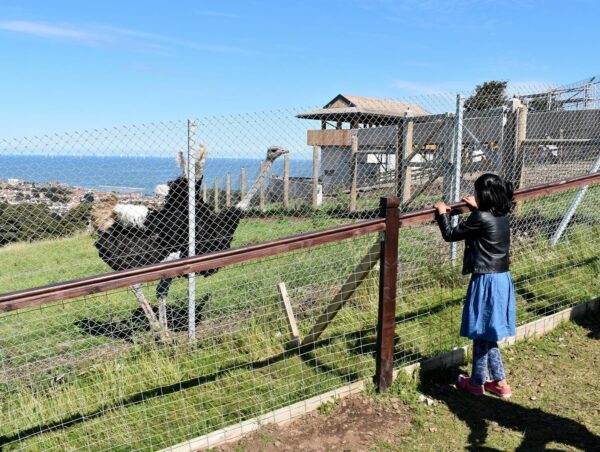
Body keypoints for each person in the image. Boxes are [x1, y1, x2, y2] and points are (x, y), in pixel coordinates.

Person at [433, 173, 516, 398]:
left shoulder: (480, 218)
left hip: (486, 280)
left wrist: (442, 213)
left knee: (481, 331)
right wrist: (475, 210)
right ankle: (500, 382)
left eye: (476, 192)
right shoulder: (501, 214)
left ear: (483, 196)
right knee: (488, 333)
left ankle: (476, 383)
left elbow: (450, 235)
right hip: (502, 278)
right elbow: (484, 226)